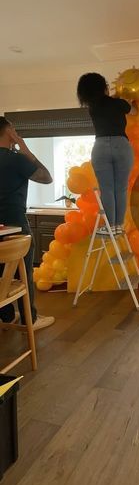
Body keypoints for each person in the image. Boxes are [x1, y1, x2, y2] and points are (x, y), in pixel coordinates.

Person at [0, 116, 55, 329]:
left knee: (1, 271)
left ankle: (6, 316)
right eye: (13, 129)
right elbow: (46, 177)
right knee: (23, 271)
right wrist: (25, 149)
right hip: (15, 223)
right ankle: (29, 320)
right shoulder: (16, 158)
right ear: (9, 132)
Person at [77, 73, 134, 233]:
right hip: (121, 145)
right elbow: (132, 109)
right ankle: (118, 225)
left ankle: (110, 226)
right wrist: (124, 95)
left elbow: (105, 101)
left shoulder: (92, 108)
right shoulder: (119, 104)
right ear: (104, 87)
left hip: (100, 146)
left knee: (107, 188)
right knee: (120, 188)